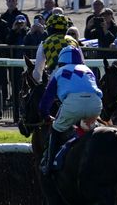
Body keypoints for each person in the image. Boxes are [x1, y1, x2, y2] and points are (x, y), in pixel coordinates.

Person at [39, 45, 104, 174]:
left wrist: (45, 115)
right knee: (91, 131)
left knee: (56, 129)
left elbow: (46, 100)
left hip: (73, 105)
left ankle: (49, 164)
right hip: (96, 104)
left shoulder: (60, 71)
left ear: (61, 59)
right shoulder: (88, 70)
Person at [32, 11, 76, 83]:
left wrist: (36, 80)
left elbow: (38, 71)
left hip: (57, 78)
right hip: (80, 76)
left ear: (49, 28)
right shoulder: (74, 41)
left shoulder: (45, 43)